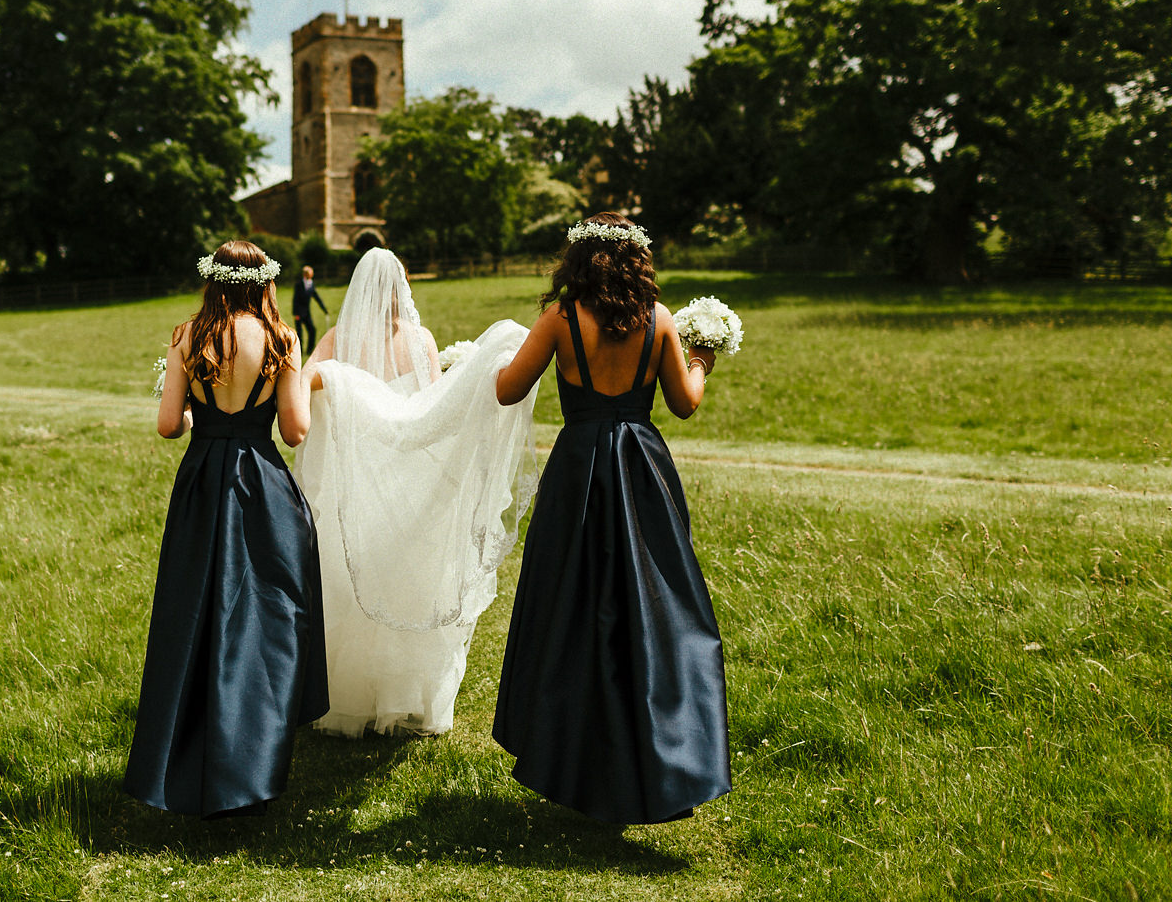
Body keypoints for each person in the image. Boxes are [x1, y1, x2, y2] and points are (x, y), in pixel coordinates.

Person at [492, 212, 731, 823]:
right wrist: (701, 359)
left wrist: (478, 362)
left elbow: (507, 389)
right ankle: (655, 752)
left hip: (580, 472)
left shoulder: (561, 319)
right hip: (642, 470)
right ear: (636, 259)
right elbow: (684, 404)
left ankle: (571, 755)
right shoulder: (661, 321)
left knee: (572, 610)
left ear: (579, 259)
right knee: (648, 610)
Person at [296, 248, 540, 737]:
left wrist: (343, 386)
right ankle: (407, 698)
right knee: (406, 577)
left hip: (353, 480)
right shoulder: (420, 339)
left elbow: (303, 382)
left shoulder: (336, 339)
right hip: (407, 481)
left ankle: (345, 700)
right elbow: (431, 409)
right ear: (401, 291)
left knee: (347, 578)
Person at [122, 240, 328, 818]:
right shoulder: (282, 339)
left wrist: (194, 411)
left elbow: (169, 425)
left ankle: (186, 752)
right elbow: (295, 431)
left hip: (204, 485)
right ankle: (254, 763)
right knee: (266, 621)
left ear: (213, 281)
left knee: (196, 616)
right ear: (265, 283)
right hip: (261, 484)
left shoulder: (188, 336)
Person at [292, 265, 329, 355]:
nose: (312, 275)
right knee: (299, 334)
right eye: (310, 273)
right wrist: (296, 313)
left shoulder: (311, 284)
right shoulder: (299, 285)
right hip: (299, 313)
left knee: (312, 330)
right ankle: (299, 352)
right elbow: (295, 299)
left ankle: (309, 350)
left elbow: (317, 297)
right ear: (305, 274)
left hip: (307, 313)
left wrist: (324, 309)